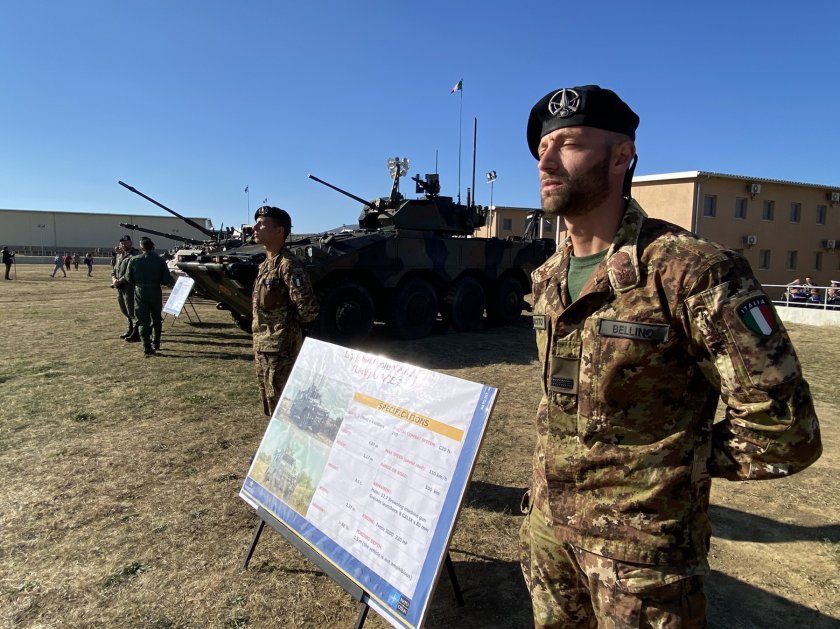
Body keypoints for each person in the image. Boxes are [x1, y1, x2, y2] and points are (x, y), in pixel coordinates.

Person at [519, 85, 822, 628]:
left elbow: (786, 431)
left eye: (566, 143)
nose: (546, 157)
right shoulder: (548, 278)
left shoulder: (692, 271)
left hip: (640, 557)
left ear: (620, 157)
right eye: (541, 146)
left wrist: (670, 468)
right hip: (549, 533)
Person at [252, 205, 319, 417]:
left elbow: (307, 308)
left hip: (281, 349)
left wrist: (287, 330)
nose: (255, 227)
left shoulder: (288, 265)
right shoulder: (265, 265)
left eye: (262, 224)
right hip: (262, 345)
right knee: (269, 401)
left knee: (283, 405)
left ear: (279, 231)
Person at [126, 237, 174, 357]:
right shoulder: (159, 260)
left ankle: (146, 346)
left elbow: (128, 278)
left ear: (142, 247)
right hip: (155, 290)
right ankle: (156, 342)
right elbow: (166, 279)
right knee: (156, 317)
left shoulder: (134, 260)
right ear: (152, 246)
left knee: (142, 320)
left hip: (139, 291)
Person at [111, 236, 140, 341]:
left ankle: (137, 332)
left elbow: (132, 272)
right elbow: (114, 270)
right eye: (122, 244)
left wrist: (120, 281)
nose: (124, 245)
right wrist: (114, 280)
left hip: (130, 287)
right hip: (120, 288)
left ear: (131, 243)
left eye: (126, 243)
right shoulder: (119, 256)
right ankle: (130, 329)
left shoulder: (135, 256)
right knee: (124, 310)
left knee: (132, 310)